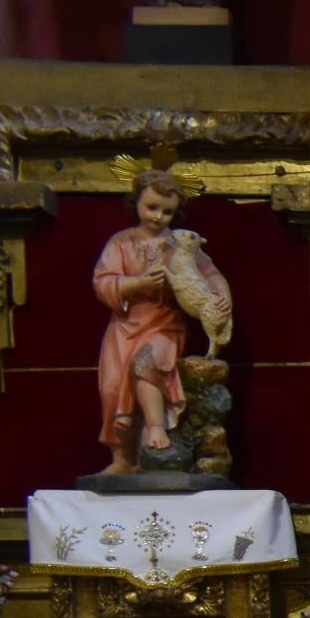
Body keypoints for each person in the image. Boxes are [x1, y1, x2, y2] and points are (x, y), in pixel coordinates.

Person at [92, 166, 232, 475]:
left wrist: (222, 297)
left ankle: (155, 431)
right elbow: (103, 282)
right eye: (151, 207)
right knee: (113, 387)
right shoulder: (121, 242)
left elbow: (211, 275)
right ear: (136, 203)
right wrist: (138, 283)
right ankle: (123, 459)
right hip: (124, 326)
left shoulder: (181, 243)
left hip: (164, 322)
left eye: (167, 212)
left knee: (146, 364)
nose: (158, 216)